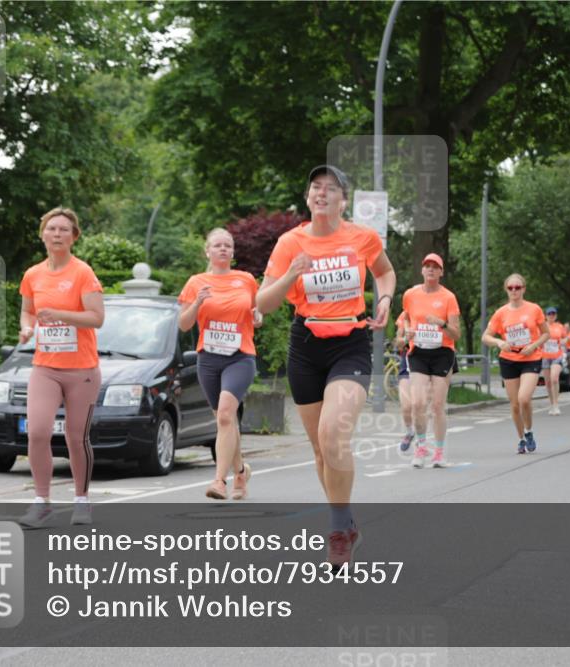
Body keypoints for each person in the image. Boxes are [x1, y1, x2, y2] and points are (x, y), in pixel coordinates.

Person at [256, 165, 395, 569]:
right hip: (305, 345)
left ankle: (336, 531)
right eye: (315, 187)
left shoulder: (362, 238)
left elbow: (384, 272)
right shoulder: (289, 243)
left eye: (330, 188)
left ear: (342, 200)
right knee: (320, 448)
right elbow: (264, 303)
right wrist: (291, 275)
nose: (322, 193)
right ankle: (346, 521)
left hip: (350, 344)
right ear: (307, 198)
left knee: (333, 433)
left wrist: (384, 301)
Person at [17, 207, 104, 527]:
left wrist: (61, 315)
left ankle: (81, 500)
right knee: (37, 432)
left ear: (74, 237)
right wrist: (26, 328)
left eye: (64, 230)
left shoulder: (82, 273)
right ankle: (42, 502)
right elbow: (27, 311)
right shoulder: (33, 275)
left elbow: (97, 318)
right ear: (42, 234)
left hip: (81, 369)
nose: (57, 234)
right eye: (51, 228)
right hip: (46, 366)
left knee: (76, 437)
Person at [178, 228, 261, 500]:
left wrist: (258, 316)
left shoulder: (246, 280)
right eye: (217, 245)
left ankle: (219, 482)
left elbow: (257, 310)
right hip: (209, 359)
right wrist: (197, 303)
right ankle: (240, 473)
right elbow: (184, 324)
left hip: (240, 356)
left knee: (226, 415)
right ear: (208, 251)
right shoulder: (196, 282)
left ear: (233, 252)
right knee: (224, 421)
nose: (223, 249)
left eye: (228, 245)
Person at [402, 253, 461, 468]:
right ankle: (420, 446)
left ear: (441, 272)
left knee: (437, 405)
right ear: (422, 270)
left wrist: (441, 324)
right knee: (417, 403)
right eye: (427, 266)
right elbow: (407, 317)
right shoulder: (410, 294)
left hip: (442, 353)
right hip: (418, 351)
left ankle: (439, 452)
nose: (431, 269)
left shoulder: (448, 298)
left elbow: (456, 334)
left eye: (435, 267)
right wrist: (407, 331)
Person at [482, 274, 550, 454]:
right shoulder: (501, 313)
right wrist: (499, 342)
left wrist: (533, 345)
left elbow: (546, 333)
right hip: (509, 360)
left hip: (531, 358)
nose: (514, 291)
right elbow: (486, 336)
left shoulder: (534, 309)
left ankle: (529, 431)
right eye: (510, 288)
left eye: (517, 287)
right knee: (514, 405)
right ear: (506, 289)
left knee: (524, 398)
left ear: (523, 289)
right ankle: (521, 439)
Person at [394, 311, 415, 452]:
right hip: (407, 363)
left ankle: (422, 440)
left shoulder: (434, 312)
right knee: (406, 405)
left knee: (421, 404)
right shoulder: (404, 315)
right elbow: (399, 342)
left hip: (430, 362)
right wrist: (406, 339)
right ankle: (410, 431)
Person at [542, 307, 566, 415]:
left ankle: (556, 405)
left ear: (556, 315)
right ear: (546, 316)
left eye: (553, 314)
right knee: (548, 382)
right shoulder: (542, 326)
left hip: (557, 355)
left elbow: (565, 338)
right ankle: (551, 404)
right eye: (549, 314)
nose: (551, 316)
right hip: (545, 356)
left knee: (554, 379)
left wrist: (562, 341)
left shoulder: (560, 327)